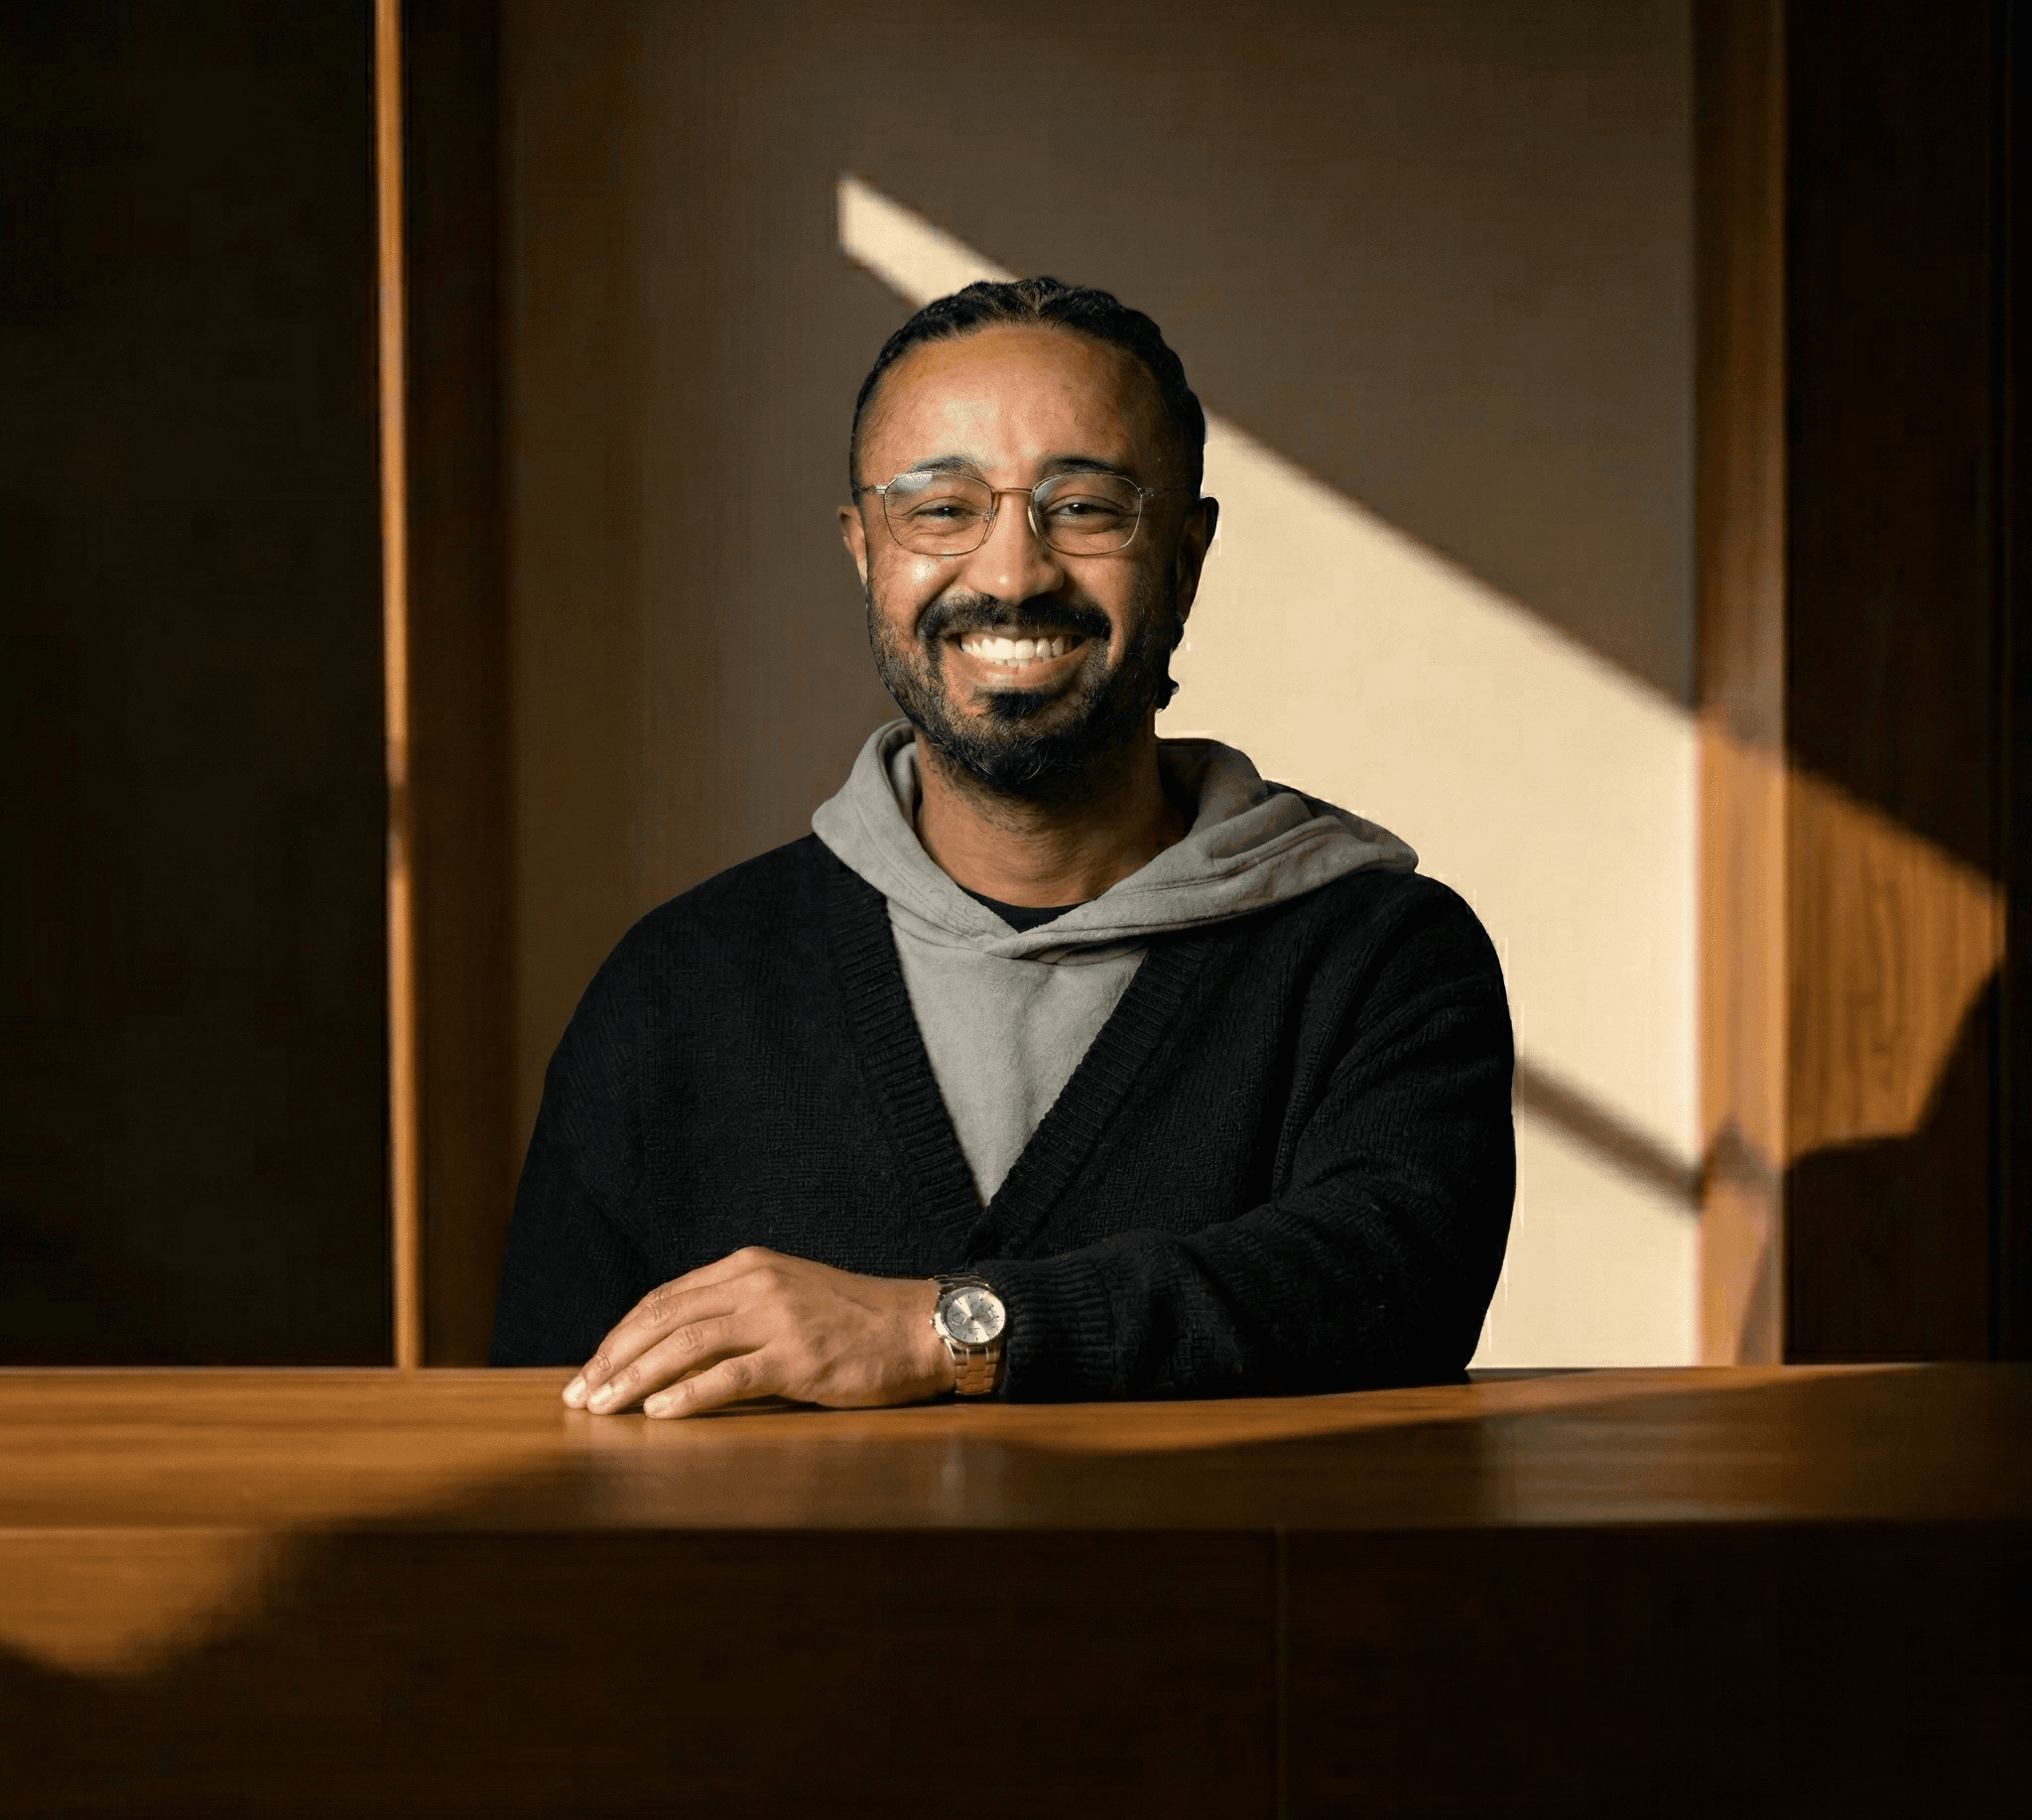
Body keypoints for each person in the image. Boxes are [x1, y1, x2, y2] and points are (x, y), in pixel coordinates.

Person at [489, 277, 1514, 1416]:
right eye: (939, 509)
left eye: (1084, 507)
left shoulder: (1378, 955)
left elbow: (1394, 1284)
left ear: (1183, 557)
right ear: (863, 550)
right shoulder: (676, 988)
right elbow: (547, 1430)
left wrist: (941, 1331)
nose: (1012, 572)